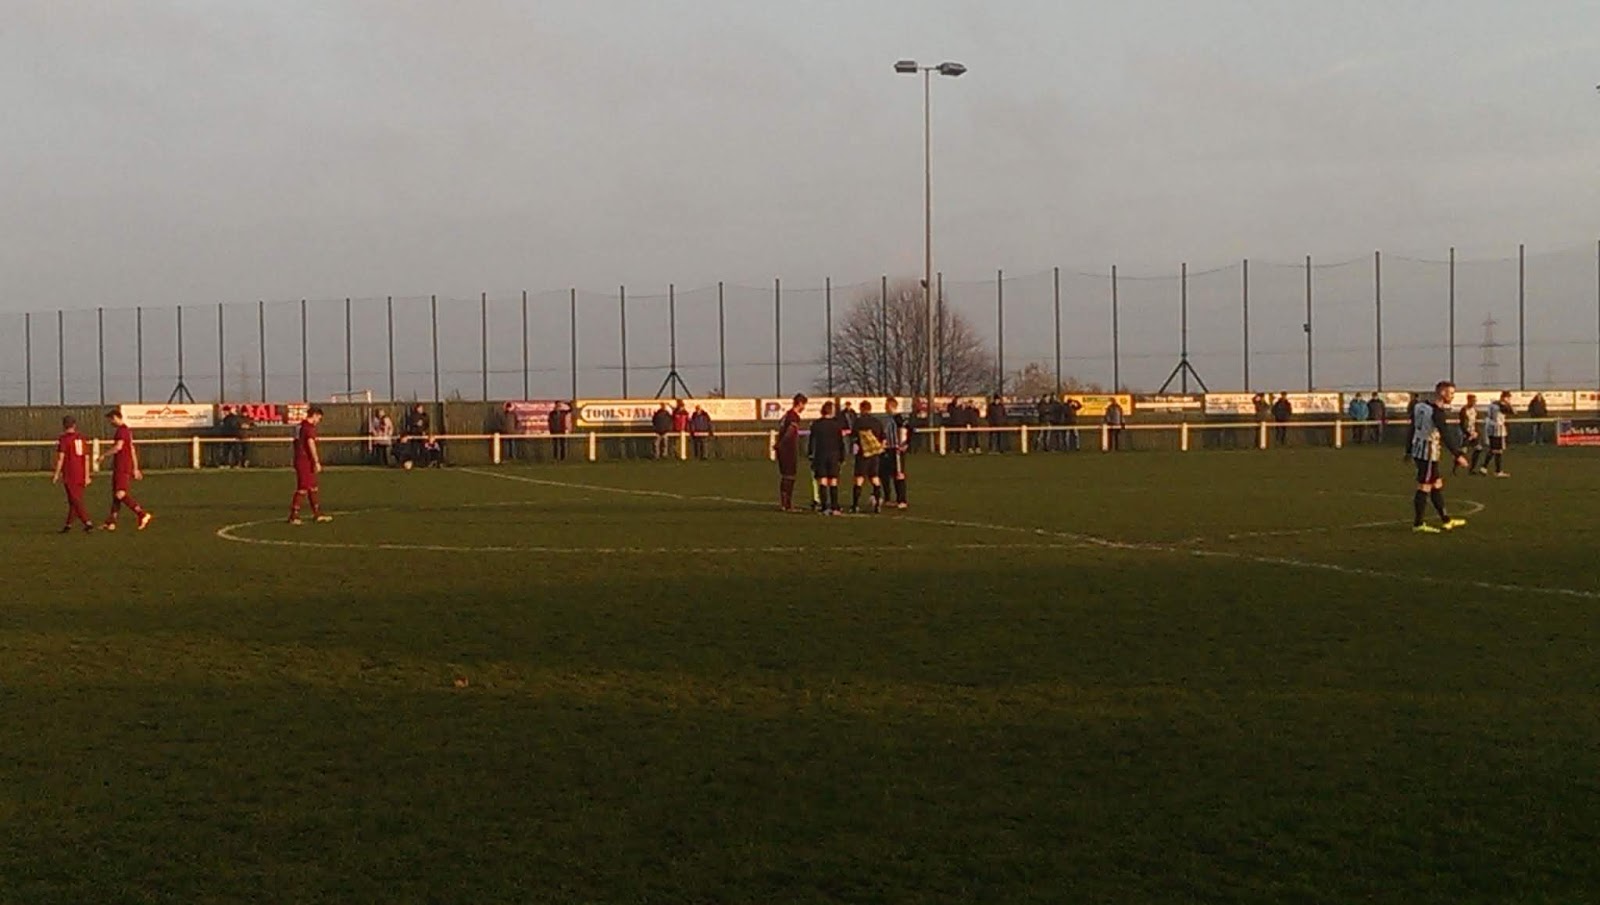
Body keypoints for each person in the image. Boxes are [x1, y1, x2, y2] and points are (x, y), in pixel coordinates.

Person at [1405, 381, 1470, 534]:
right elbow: (1445, 434)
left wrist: (1408, 450)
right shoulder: (1437, 412)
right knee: (1424, 486)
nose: (1452, 396)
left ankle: (1446, 520)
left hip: (1418, 449)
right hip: (1427, 452)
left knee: (1436, 484)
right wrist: (1458, 454)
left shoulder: (1419, 406)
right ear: (1442, 393)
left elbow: (1412, 428)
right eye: (1451, 393)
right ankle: (1418, 524)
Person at [97, 410, 153, 531]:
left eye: (110, 420)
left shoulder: (121, 431)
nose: (110, 423)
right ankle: (111, 522)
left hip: (122, 467)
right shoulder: (127, 430)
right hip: (123, 466)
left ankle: (142, 514)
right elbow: (132, 449)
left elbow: (118, 447)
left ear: (115, 417)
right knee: (116, 495)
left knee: (120, 494)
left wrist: (104, 455)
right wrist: (135, 468)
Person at [288, 405, 332, 525]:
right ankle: (294, 515)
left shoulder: (299, 426)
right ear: (315, 415)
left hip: (300, 459)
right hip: (304, 460)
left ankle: (317, 514)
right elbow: (310, 443)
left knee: (313, 486)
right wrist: (316, 461)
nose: (318, 421)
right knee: (303, 487)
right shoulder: (308, 427)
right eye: (319, 418)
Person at [51, 416, 95, 534]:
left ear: (63, 425)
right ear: (74, 425)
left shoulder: (64, 439)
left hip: (70, 474)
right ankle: (68, 525)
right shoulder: (81, 438)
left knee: (75, 500)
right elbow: (86, 458)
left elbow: (61, 458)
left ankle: (87, 522)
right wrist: (87, 475)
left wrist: (56, 473)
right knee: (74, 500)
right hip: (81, 473)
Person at [809, 401, 847, 515]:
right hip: (834, 455)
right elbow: (841, 443)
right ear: (832, 411)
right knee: (833, 481)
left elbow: (812, 441)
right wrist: (842, 457)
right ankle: (835, 507)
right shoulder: (836, 425)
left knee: (823, 481)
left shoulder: (816, 424)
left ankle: (824, 507)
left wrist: (810, 454)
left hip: (820, 455)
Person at [849, 400, 887, 513]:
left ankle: (855, 505)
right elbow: (883, 438)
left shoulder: (858, 422)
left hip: (863, 454)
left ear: (861, 409)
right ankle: (877, 504)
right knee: (875, 478)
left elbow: (853, 437)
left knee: (859, 479)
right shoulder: (877, 422)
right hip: (874, 455)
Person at [773, 393, 806, 510]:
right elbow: (789, 432)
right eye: (804, 405)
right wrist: (782, 445)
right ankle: (787, 504)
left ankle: (784, 503)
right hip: (788, 449)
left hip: (783, 449)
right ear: (800, 403)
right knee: (790, 476)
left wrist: (778, 445)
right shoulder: (793, 417)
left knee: (785, 476)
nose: (804, 408)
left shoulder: (787, 415)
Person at [880, 397, 910, 509]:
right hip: (886, 449)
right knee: (884, 474)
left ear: (892, 406)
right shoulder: (887, 419)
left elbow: (907, 430)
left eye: (887, 406)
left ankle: (902, 499)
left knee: (899, 474)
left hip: (896, 449)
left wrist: (905, 444)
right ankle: (887, 498)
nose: (885, 408)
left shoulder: (898, 418)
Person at [1480, 390, 1513, 477]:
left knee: (1493, 449)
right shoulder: (1500, 406)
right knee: (1497, 450)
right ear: (1505, 398)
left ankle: (1484, 468)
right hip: (1498, 429)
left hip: (1491, 427)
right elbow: (1512, 411)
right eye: (1509, 398)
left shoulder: (1493, 404)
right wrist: (1508, 404)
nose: (1509, 400)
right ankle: (1497, 470)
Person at [1454, 394, 1479, 475]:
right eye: (1473, 401)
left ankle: (1472, 469)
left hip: (1472, 433)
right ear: (1469, 400)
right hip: (1466, 434)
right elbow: (1462, 424)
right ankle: (1455, 468)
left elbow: (1474, 422)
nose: (1475, 402)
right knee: (1463, 451)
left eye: (1475, 401)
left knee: (1478, 449)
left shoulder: (1474, 410)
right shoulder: (1464, 410)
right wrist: (1467, 433)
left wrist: (1475, 431)